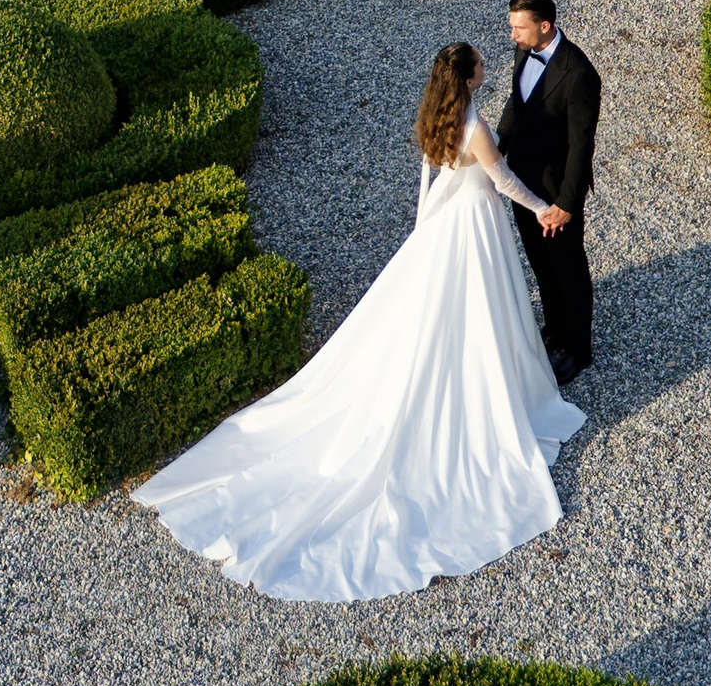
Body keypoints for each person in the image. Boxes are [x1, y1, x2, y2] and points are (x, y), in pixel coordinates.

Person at [131, 39, 584, 601]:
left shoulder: (436, 116)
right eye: (480, 66)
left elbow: (429, 178)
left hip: (445, 224)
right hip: (473, 225)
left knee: (443, 314)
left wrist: (422, 233)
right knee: (481, 309)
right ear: (469, 78)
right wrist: (544, 208)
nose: (488, 68)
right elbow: (503, 182)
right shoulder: (475, 129)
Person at [497, 0, 601, 381]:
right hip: (522, 183)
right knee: (541, 264)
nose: (513, 36)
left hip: (556, 193)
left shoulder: (579, 75)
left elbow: (581, 146)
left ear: (546, 26)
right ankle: (555, 329)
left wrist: (566, 203)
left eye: (519, 28)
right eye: (512, 27)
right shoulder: (525, 48)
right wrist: (497, 148)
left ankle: (579, 350)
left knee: (569, 269)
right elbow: (516, 103)